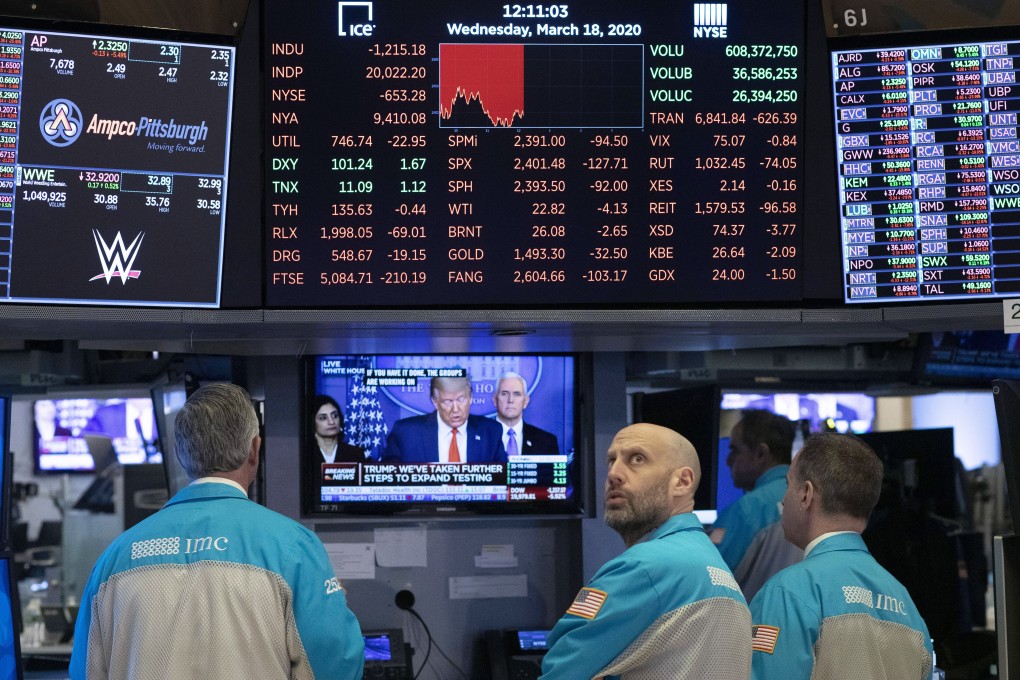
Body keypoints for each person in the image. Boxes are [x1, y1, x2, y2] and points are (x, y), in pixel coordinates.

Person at [69, 383, 364, 680]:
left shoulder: (113, 561)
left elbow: (84, 673)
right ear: (254, 449)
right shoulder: (294, 549)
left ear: (179, 454)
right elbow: (336, 665)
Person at [540, 423, 751, 679]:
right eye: (611, 461)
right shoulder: (713, 564)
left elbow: (562, 671)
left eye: (637, 459)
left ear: (682, 482)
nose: (614, 474)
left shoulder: (644, 567)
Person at [749, 433, 933, 680]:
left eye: (787, 484)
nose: (783, 498)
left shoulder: (786, 593)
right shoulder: (905, 602)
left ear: (805, 494)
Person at [711, 409, 802, 599]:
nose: (728, 460)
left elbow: (705, 579)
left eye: (735, 450)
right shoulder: (815, 499)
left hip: (750, 625)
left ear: (761, 453)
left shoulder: (746, 510)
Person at [384, 374, 504, 463]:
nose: (456, 409)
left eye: (461, 399)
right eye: (448, 402)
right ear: (435, 402)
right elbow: (387, 480)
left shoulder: (491, 431)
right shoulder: (406, 433)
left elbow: (505, 478)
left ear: (471, 397)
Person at [492, 371, 559, 456]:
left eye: (517, 394)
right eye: (504, 394)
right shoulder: (480, 438)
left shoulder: (547, 441)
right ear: (495, 400)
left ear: (526, 401)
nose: (510, 400)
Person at [308, 394, 366, 478]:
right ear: (312, 423)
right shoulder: (306, 455)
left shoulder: (355, 454)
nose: (331, 422)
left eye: (334, 415)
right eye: (323, 418)